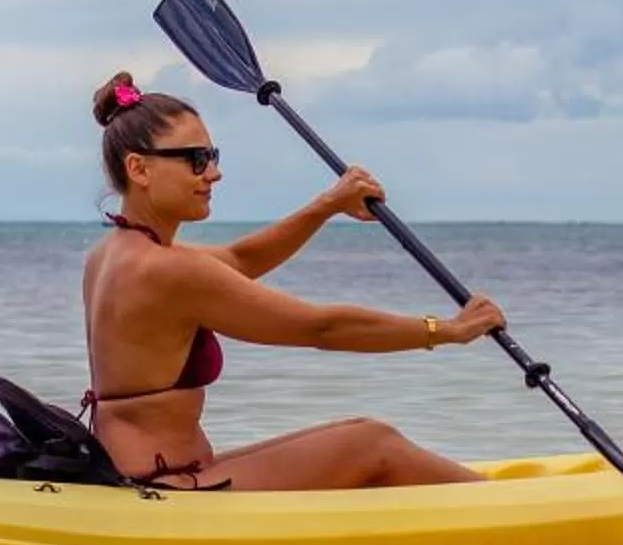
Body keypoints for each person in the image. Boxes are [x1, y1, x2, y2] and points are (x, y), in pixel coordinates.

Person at [81, 72, 505, 491]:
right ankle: (510, 514)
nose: (213, 174)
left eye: (214, 156)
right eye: (196, 160)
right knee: (371, 444)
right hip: (165, 488)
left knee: (361, 434)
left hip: (145, 476)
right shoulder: (169, 271)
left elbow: (238, 259)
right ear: (139, 169)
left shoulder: (112, 256)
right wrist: (448, 330)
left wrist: (328, 205)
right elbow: (321, 328)